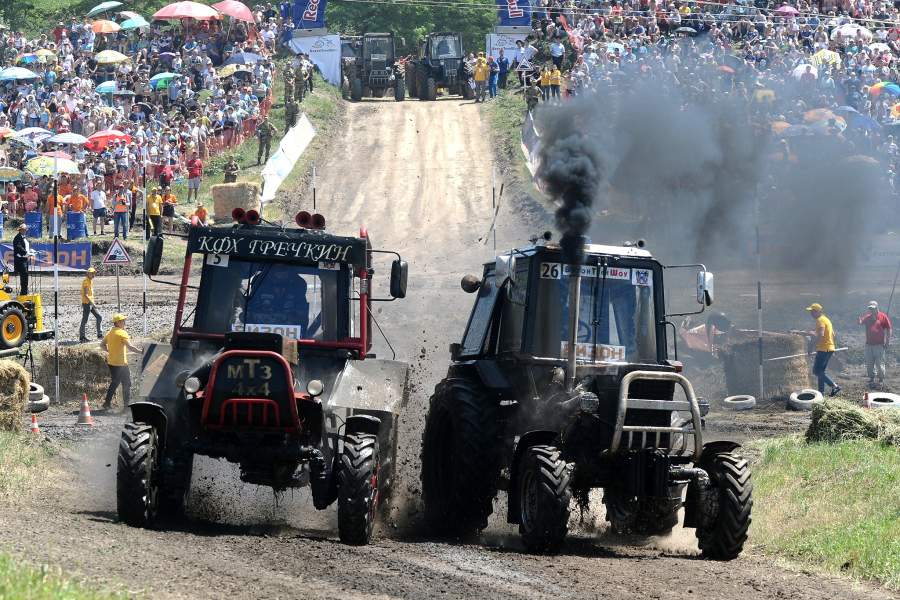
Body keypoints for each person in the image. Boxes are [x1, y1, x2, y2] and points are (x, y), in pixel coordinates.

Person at [100, 313, 141, 411]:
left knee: (115, 382)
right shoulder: (122, 333)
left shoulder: (110, 333)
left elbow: (102, 345)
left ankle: (106, 403)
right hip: (121, 364)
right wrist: (141, 352)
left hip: (111, 363)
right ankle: (126, 407)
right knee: (126, 384)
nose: (124, 322)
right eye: (123, 320)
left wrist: (110, 351)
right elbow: (130, 347)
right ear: (117, 322)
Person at [805, 303, 841, 396]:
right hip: (829, 348)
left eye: (812, 311)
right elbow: (833, 335)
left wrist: (812, 345)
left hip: (823, 349)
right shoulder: (826, 320)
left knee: (816, 371)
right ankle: (821, 392)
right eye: (810, 312)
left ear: (817, 311)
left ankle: (834, 386)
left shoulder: (820, 320)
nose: (811, 314)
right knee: (821, 372)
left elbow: (820, 334)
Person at [859, 300, 892, 388]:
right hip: (869, 344)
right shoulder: (868, 317)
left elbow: (889, 329)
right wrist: (859, 321)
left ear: (877, 308)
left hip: (879, 345)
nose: (871, 310)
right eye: (870, 308)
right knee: (869, 363)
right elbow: (861, 322)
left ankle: (881, 379)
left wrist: (887, 342)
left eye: (872, 308)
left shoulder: (883, 316)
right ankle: (871, 378)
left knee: (879, 363)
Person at [79, 267, 102, 343]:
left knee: (99, 317)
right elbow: (85, 294)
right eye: (92, 273)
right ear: (88, 274)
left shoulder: (90, 281)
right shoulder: (86, 282)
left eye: (94, 273)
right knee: (84, 320)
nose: (93, 274)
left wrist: (92, 303)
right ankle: (82, 337)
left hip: (90, 304)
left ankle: (100, 334)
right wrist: (92, 303)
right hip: (87, 304)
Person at [12, 223, 30, 295]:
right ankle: (23, 292)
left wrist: (29, 251)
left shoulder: (23, 237)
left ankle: (25, 290)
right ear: (20, 230)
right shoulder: (17, 238)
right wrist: (26, 252)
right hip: (20, 260)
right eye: (23, 230)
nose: (25, 231)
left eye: (25, 230)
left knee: (25, 275)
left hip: (25, 259)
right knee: (24, 275)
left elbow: (24, 247)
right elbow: (19, 247)